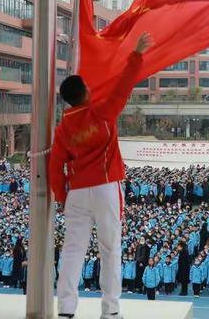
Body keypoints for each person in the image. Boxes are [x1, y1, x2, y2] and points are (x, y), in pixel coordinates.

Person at [49, 33, 153, 319]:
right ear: (85, 92)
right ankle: (110, 310)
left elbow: (55, 166)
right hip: (107, 188)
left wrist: (61, 196)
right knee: (110, 249)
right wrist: (136, 53)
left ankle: (66, 308)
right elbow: (124, 84)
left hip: (77, 193)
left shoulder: (63, 128)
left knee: (72, 251)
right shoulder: (103, 111)